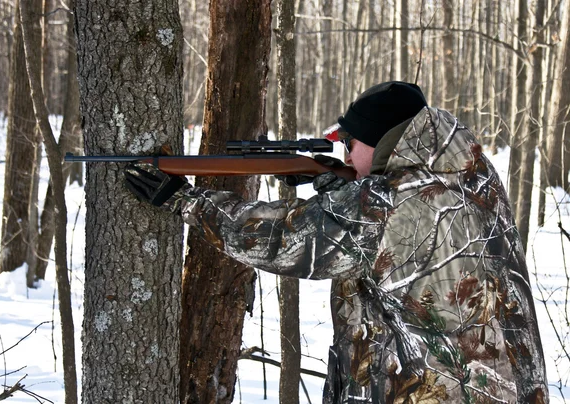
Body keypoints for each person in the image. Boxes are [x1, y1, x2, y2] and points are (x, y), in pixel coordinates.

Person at [124, 81, 548, 403]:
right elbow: (398, 230)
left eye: (350, 143)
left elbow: (284, 239)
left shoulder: (384, 203)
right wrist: (331, 183)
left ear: (383, 141)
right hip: (506, 384)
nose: (345, 154)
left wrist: (186, 200)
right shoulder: (470, 170)